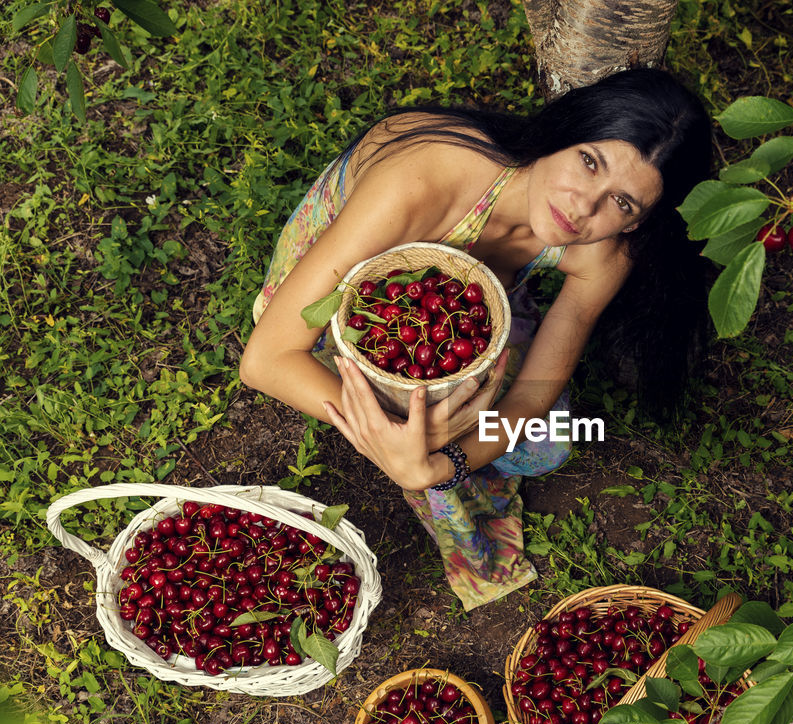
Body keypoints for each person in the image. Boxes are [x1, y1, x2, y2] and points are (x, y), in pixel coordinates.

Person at [240, 68, 713, 610]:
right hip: (350, 285)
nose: (584, 208)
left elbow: (533, 398)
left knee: (546, 443)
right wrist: (392, 434)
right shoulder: (423, 182)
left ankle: (439, 408)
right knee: (415, 399)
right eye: (588, 161)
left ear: (637, 223)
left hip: (450, 307)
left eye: (622, 202)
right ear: (562, 130)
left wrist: (439, 466)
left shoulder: (602, 251)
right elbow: (266, 359)